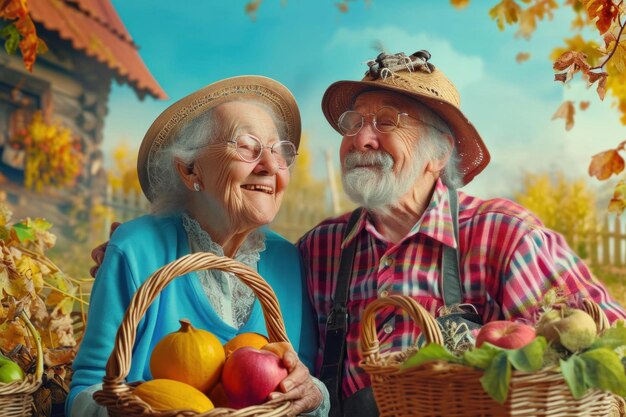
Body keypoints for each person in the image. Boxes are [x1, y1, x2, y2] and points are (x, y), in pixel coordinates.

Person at [296, 49, 626, 416]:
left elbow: (609, 351)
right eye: (354, 122)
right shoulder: (319, 249)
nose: (361, 139)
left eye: (387, 122)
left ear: (438, 155)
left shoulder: (504, 236)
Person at [67, 76, 329, 417]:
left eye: (277, 151)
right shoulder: (135, 250)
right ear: (190, 170)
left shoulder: (288, 261)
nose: (268, 166)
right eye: (247, 146)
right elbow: (86, 392)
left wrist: (313, 396)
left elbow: (305, 379)